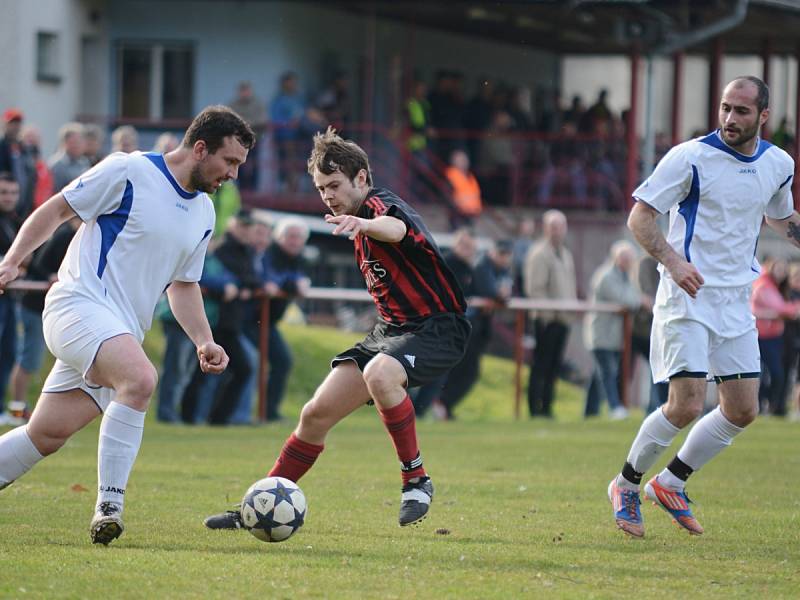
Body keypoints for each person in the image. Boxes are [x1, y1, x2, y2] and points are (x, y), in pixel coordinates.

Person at [0, 105, 256, 545]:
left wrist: (204, 340)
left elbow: (183, 285)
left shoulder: (205, 214)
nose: (233, 174)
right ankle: (109, 506)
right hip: (76, 306)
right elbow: (56, 210)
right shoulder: (128, 170)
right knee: (139, 379)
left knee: (46, 434)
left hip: (117, 333)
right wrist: (12, 259)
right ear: (199, 148)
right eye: (229, 162)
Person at [204, 127, 470, 531]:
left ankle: (416, 480)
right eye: (320, 187)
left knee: (380, 373)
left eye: (334, 185)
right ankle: (257, 508)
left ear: (361, 178)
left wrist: (364, 225)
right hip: (391, 331)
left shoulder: (381, 206)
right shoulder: (353, 218)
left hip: (437, 328)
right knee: (314, 415)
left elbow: (396, 230)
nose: (327, 195)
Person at [608, 76, 799, 539]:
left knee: (742, 410)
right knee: (687, 403)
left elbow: (779, 215)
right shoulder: (690, 157)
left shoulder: (778, 163)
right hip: (686, 295)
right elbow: (640, 215)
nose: (730, 119)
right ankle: (626, 484)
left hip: (735, 300)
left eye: (742, 111)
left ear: (764, 117)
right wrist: (674, 262)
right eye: (725, 108)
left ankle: (671, 482)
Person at [583, 240, 644, 419]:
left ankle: (590, 412)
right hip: (601, 334)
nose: (627, 263)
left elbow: (633, 295)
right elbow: (628, 300)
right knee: (608, 371)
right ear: (616, 258)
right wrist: (639, 301)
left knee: (599, 373)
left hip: (614, 335)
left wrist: (637, 299)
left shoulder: (625, 277)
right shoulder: (607, 276)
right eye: (624, 259)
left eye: (630, 259)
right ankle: (614, 407)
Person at [524, 209, 576, 418]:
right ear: (546, 229)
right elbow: (535, 289)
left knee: (554, 366)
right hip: (546, 319)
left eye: (561, 226)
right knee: (541, 365)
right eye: (554, 226)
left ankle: (547, 407)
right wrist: (548, 313)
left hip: (562, 318)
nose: (558, 231)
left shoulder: (565, 253)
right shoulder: (539, 254)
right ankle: (534, 408)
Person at [751, 257, 799, 416]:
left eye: (784, 269)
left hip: (773, 337)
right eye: (779, 268)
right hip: (762, 337)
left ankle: (769, 406)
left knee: (773, 373)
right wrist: (792, 310)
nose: (782, 272)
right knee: (770, 373)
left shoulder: (777, 287)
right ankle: (762, 405)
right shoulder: (765, 285)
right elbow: (781, 309)